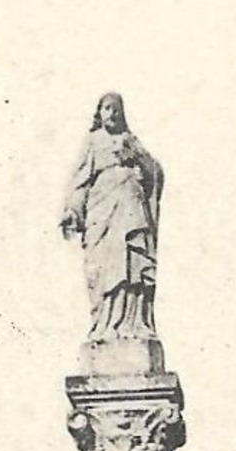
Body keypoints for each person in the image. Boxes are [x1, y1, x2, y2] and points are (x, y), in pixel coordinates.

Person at [61, 93, 163, 343]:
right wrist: (73, 211)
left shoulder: (131, 141)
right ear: (99, 112)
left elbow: (156, 173)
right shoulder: (93, 142)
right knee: (105, 270)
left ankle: (134, 324)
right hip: (102, 214)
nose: (112, 113)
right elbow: (79, 182)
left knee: (133, 268)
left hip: (132, 211)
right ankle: (104, 325)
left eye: (116, 109)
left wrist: (139, 159)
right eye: (107, 108)